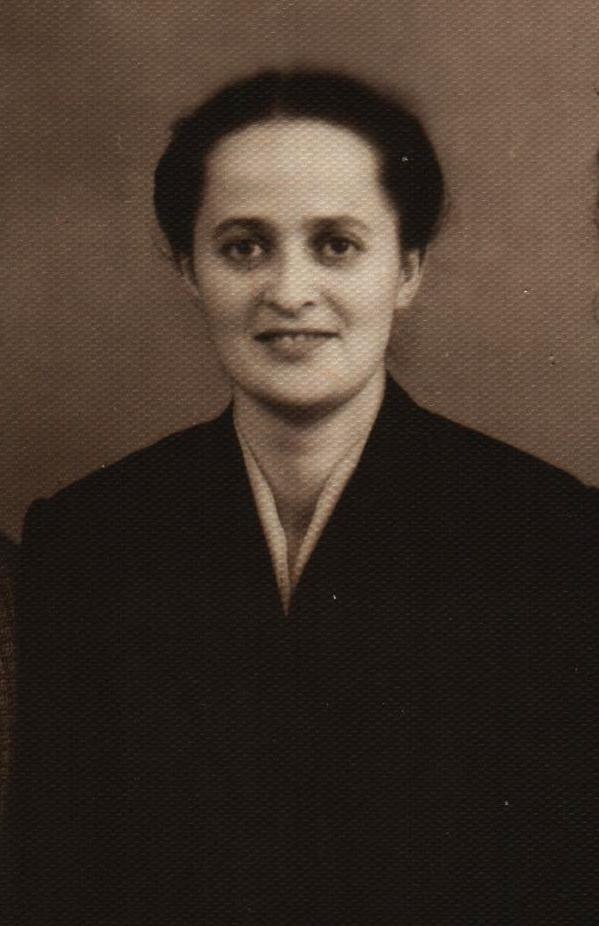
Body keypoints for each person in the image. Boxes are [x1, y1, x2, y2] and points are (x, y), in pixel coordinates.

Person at [9, 70, 597, 924]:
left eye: (336, 245)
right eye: (243, 247)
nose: (288, 291)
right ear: (189, 270)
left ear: (407, 269)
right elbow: (51, 879)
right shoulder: (89, 537)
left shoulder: (548, 534)